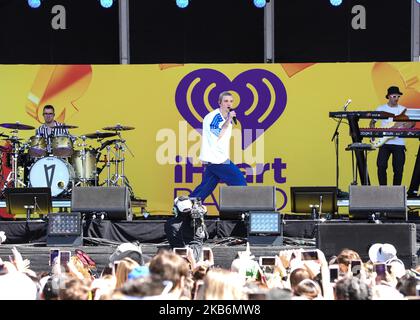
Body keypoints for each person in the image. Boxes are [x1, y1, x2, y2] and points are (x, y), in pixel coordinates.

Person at [190, 91, 247, 201]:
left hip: (215, 157)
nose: (229, 104)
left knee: (205, 188)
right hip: (216, 159)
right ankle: (243, 210)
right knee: (239, 182)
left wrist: (228, 119)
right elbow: (217, 136)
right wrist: (229, 120)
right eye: (225, 101)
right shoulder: (214, 117)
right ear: (219, 103)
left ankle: (186, 208)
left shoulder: (225, 117)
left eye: (231, 101)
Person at [369, 86, 415, 185]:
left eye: (398, 96)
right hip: (384, 143)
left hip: (399, 143)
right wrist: (372, 137)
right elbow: (372, 123)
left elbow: (412, 123)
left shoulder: (403, 110)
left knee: (398, 169)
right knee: (381, 166)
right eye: (394, 96)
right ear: (389, 96)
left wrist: (407, 125)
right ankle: (383, 190)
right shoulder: (381, 109)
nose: (397, 99)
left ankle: (396, 191)